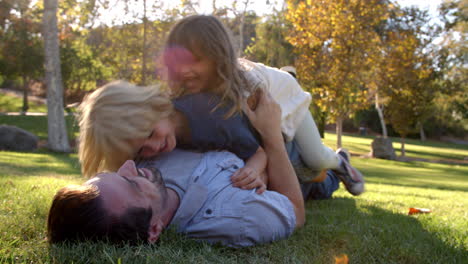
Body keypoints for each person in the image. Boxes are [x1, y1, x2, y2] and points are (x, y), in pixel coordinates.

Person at [48, 90, 305, 247]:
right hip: (285, 150)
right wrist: (271, 134)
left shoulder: (149, 151)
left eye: (113, 173)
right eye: (131, 183)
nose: (129, 165)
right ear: (154, 229)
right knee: (313, 169)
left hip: (248, 117)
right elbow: (296, 211)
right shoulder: (239, 218)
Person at [161, 14, 364, 194]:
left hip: (285, 96)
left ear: (217, 59)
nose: (184, 70)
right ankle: (318, 179)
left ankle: (340, 162)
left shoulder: (249, 90)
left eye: (195, 60)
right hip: (263, 100)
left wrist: (257, 169)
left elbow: (264, 140)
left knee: (314, 159)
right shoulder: (186, 90)